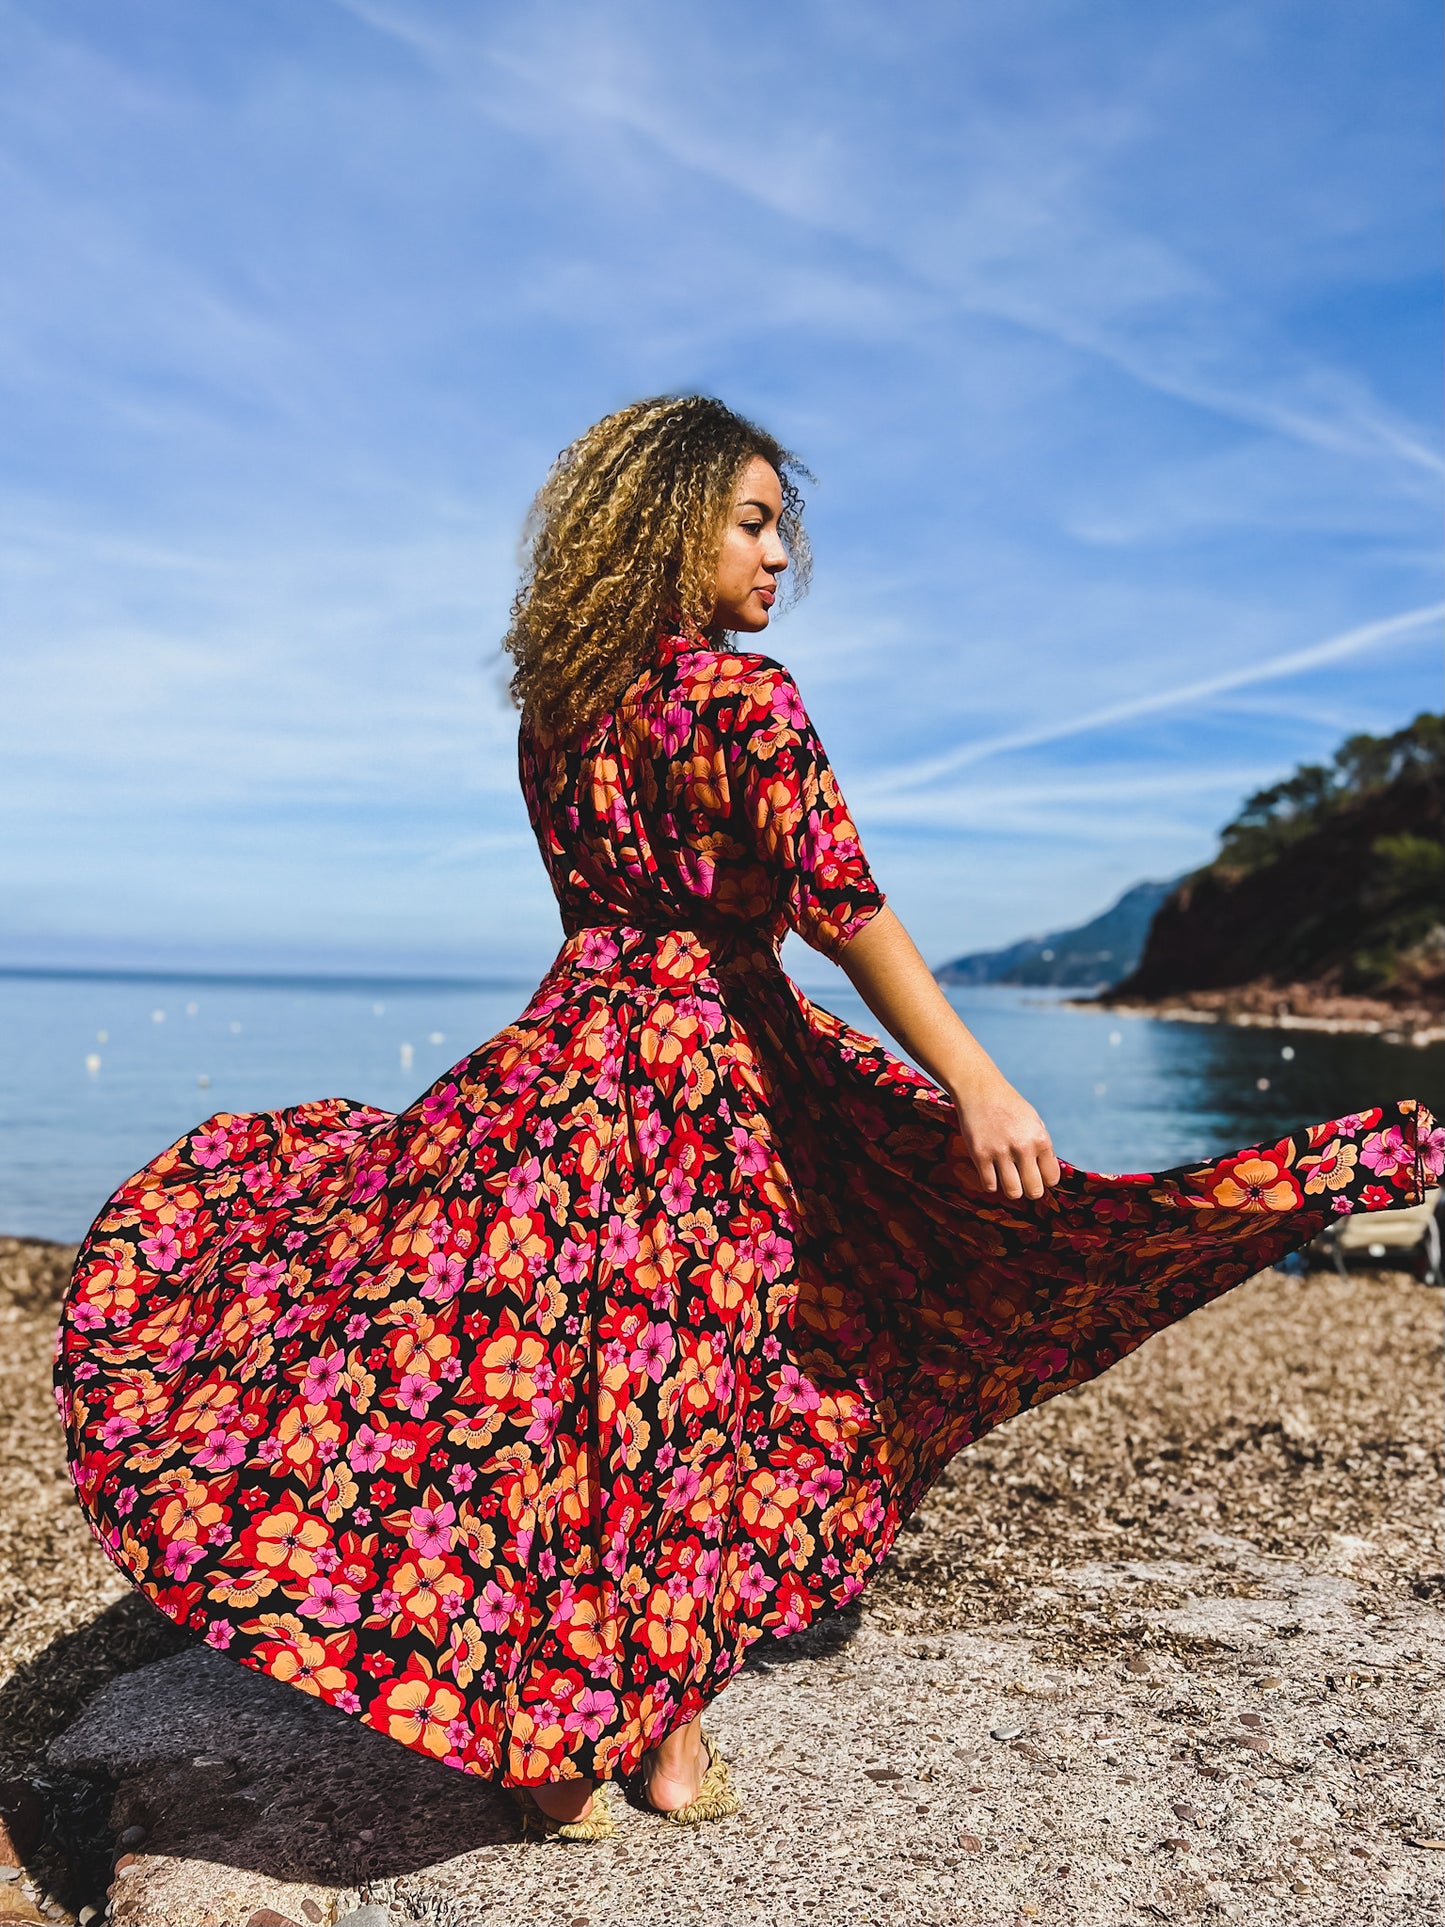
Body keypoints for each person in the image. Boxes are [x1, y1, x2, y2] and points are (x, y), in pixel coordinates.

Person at [56, 395, 1440, 1841]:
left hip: (560, 1067)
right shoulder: (742, 703)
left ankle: (563, 1745)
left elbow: (607, 911)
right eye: (752, 520)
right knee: (697, 1395)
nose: (782, 555)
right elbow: (842, 909)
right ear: (665, 523)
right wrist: (977, 1078)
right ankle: (656, 1745)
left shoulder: (556, 712)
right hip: (710, 1071)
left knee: (561, 1399)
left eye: (783, 523)